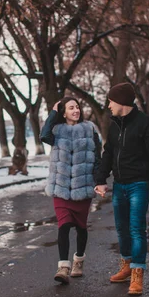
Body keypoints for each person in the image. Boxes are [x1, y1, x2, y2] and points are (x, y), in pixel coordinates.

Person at [94, 82, 149, 296]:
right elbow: (108, 153)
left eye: (110, 101)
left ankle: (137, 273)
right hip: (119, 185)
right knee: (121, 229)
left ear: (121, 102)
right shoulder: (114, 124)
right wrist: (101, 179)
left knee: (136, 230)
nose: (108, 106)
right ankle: (126, 265)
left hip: (139, 185)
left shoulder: (146, 124)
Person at [40, 97, 101, 285]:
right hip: (61, 188)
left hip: (83, 187)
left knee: (81, 227)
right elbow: (44, 135)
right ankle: (63, 267)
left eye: (77, 107)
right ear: (63, 112)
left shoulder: (90, 129)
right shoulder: (57, 131)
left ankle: (79, 260)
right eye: (71, 108)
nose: (76, 110)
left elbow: (98, 157)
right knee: (64, 225)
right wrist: (52, 113)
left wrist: (100, 181)